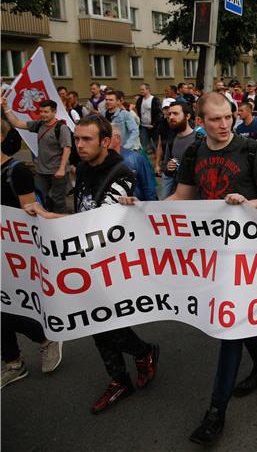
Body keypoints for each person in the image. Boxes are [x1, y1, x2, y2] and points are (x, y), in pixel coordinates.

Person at [127, 91, 257, 445]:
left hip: (247, 252)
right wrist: (141, 210)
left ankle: (216, 412)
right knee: (238, 318)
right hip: (212, 251)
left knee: (229, 325)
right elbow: (181, 198)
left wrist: (248, 202)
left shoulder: (250, 150)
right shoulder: (194, 152)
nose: (225, 124)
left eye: (228, 117)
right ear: (202, 122)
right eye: (216, 119)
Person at [23, 115, 160, 413]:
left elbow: (98, 223)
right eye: (77, 139)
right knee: (95, 321)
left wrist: (49, 217)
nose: (79, 145)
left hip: (112, 261)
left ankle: (142, 353)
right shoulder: (83, 167)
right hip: (84, 256)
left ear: (105, 142)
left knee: (102, 321)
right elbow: (82, 207)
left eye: (86, 139)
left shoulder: (121, 172)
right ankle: (120, 377)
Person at [1, 119, 64, 388]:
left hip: (14, 254)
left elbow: (30, 215)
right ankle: (13, 362)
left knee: (8, 306)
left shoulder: (16, 172)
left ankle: (44, 338)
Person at [3, 98, 71, 213]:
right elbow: (17, 123)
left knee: (58, 200)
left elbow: (67, 149)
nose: (43, 114)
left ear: (54, 112)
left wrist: (62, 169)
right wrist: (5, 107)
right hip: (42, 171)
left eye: (46, 112)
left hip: (57, 171)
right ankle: (43, 221)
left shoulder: (61, 128)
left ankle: (61, 223)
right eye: (41, 112)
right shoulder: (39, 124)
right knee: (38, 197)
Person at [158, 101, 196, 199]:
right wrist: (168, 167)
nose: (171, 117)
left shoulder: (199, 140)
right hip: (176, 195)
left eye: (175, 114)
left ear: (187, 116)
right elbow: (165, 165)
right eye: (170, 114)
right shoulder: (171, 140)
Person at [110, 123, 157, 201]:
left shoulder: (135, 158)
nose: (103, 141)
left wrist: (151, 209)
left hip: (135, 207)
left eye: (107, 136)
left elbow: (149, 188)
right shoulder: (98, 160)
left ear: (117, 138)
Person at [135, 83, 161, 154]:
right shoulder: (140, 100)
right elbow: (138, 111)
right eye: (140, 90)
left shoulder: (154, 100)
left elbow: (159, 113)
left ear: (148, 90)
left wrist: (154, 124)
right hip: (143, 126)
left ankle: (159, 159)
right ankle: (145, 162)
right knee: (144, 145)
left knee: (156, 144)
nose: (141, 91)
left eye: (143, 89)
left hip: (154, 127)